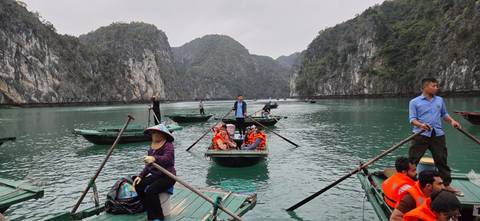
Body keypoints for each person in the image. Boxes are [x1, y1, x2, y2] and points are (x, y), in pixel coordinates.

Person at [408, 78, 461, 194]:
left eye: (437, 85)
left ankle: (446, 184)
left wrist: (452, 121)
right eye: (434, 86)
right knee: (412, 160)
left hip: (437, 135)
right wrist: (421, 125)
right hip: (420, 135)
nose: (437, 88)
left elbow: (444, 114)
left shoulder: (439, 100)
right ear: (425, 87)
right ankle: (408, 183)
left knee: (441, 160)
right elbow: (412, 119)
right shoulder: (414, 102)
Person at [133, 124, 176, 221]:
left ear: (163, 135)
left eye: (157, 133)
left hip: (168, 176)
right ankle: (147, 207)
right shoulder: (151, 148)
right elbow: (148, 166)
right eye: (153, 133)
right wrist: (141, 176)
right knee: (138, 184)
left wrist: (154, 158)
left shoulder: (168, 146)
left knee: (151, 190)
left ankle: (157, 217)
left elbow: (168, 159)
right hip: (156, 175)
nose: (154, 135)